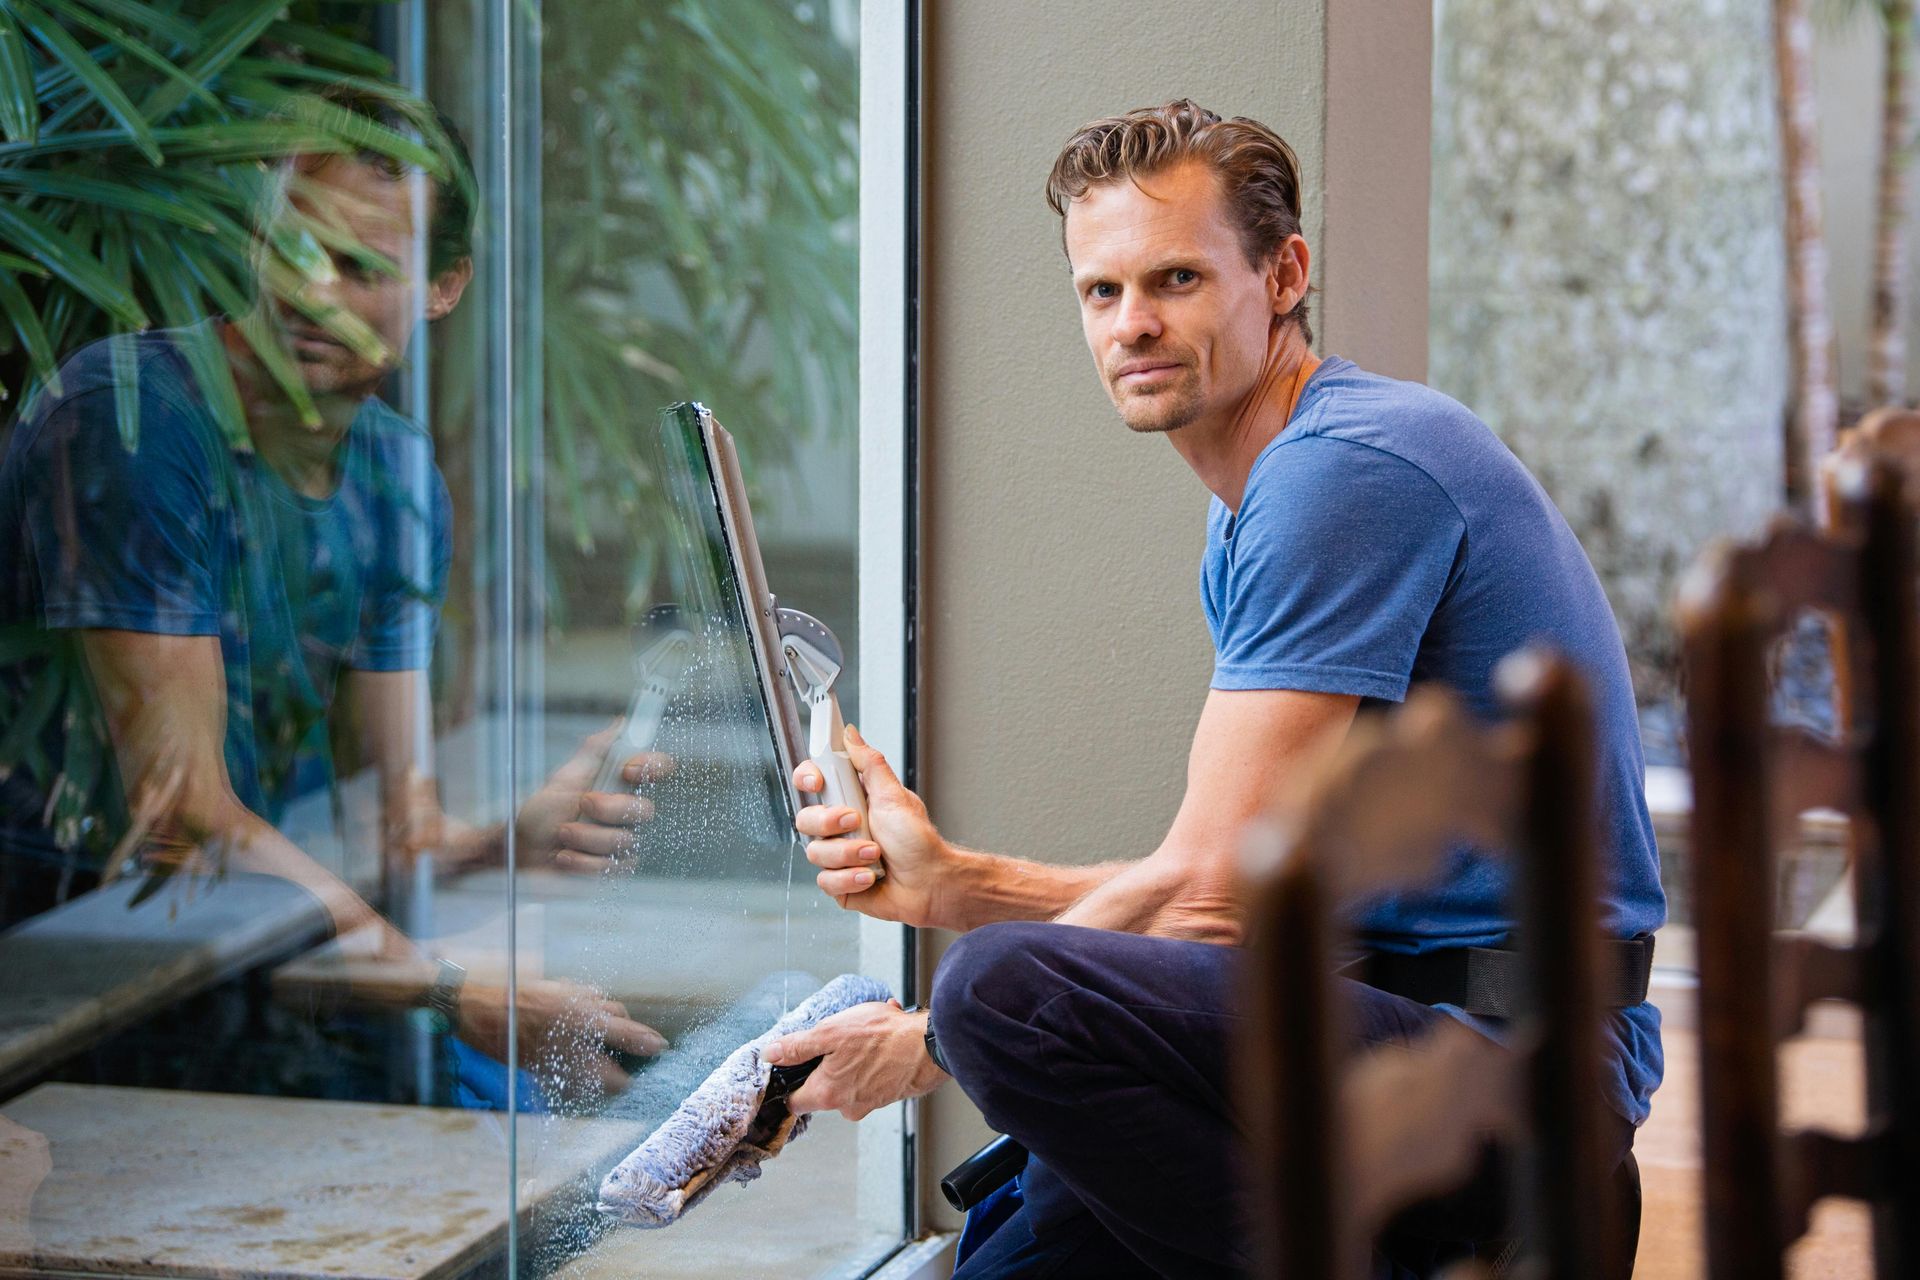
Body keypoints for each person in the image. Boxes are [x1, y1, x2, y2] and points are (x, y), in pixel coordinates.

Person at [762, 101, 1665, 1277]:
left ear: (1284, 273)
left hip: (1512, 1076)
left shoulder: (1346, 468)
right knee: (1022, 1239)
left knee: (999, 1000)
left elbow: (1210, 894)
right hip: (1391, 1031)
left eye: (1175, 278)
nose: (1132, 323)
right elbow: (1251, 881)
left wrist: (927, 1038)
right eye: (1102, 291)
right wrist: (959, 885)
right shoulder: (1258, 496)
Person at [0, 85, 663, 1100]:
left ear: (445, 287)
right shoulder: (132, 418)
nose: (312, 295)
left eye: (360, 268)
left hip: (297, 954)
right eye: (290, 251)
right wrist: (448, 985)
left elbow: (391, 828)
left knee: (609, 1131)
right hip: (99, 976)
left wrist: (507, 840)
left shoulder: (396, 471)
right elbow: (180, 821)